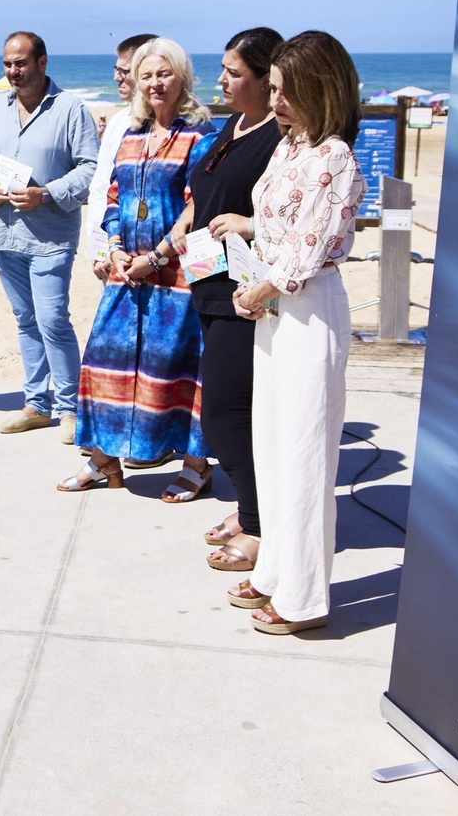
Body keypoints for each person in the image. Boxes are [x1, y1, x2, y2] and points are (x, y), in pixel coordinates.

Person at [224, 31, 365, 636]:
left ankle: (305, 597)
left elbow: (310, 249)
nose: (276, 101)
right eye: (274, 88)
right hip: (275, 309)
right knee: (274, 447)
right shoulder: (290, 146)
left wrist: (262, 287)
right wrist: (252, 268)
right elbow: (278, 228)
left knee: (306, 455)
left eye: (287, 90)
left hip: (308, 310)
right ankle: (276, 571)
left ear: (321, 88)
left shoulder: (334, 156)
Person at [60, 38, 216, 498]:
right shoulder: (130, 135)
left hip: (178, 277)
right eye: (146, 75)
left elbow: (198, 207)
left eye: (164, 74)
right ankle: (103, 460)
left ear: (182, 78)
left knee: (177, 369)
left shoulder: (199, 136)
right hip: (126, 275)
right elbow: (114, 198)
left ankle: (196, 464)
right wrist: (113, 249)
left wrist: (157, 257)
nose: (155, 83)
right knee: (105, 361)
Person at [165, 28, 284, 569]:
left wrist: (248, 222)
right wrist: (180, 229)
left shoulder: (281, 137)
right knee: (232, 412)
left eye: (234, 73)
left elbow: (291, 219)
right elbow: (205, 194)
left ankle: (260, 526)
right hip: (208, 284)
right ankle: (250, 507)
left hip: (248, 294)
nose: (222, 81)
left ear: (267, 79)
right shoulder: (233, 125)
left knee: (224, 417)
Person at [0, 31, 100, 441]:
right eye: (7, 64)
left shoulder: (71, 109)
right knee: (25, 320)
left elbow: (91, 168)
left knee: (53, 319)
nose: (13, 71)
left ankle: (70, 408)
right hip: (4, 235)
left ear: (42, 62)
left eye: (20, 63)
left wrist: (48, 193)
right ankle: (37, 405)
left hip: (51, 237)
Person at [87, 34, 159, 283]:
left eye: (124, 71)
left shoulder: (186, 126)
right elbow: (101, 190)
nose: (117, 77)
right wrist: (100, 251)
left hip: (161, 257)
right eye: (116, 69)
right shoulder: (118, 123)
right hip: (114, 256)